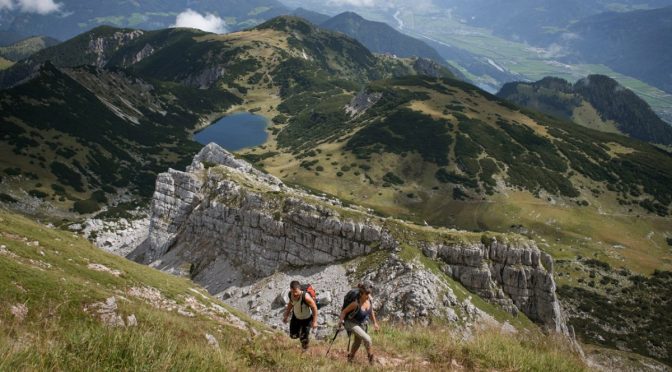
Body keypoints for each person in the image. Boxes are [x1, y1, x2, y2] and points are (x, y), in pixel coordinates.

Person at [339, 282, 380, 364]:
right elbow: (344, 312)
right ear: (361, 294)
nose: (368, 295)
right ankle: (371, 359)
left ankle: (350, 358)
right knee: (367, 339)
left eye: (369, 293)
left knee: (358, 342)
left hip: (361, 323)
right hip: (351, 323)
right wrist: (341, 321)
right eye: (366, 293)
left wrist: (375, 323)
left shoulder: (369, 300)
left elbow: (371, 311)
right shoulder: (355, 303)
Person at [283, 280, 319, 351]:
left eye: (296, 292)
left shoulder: (306, 297)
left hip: (306, 319)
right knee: (293, 336)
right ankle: (302, 334)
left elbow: (314, 308)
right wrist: (286, 315)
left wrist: (314, 322)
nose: (295, 294)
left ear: (300, 289)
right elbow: (291, 304)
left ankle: (305, 350)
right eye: (293, 292)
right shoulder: (291, 294)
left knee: (304, 339)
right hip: (296, 317)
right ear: (291, 289)